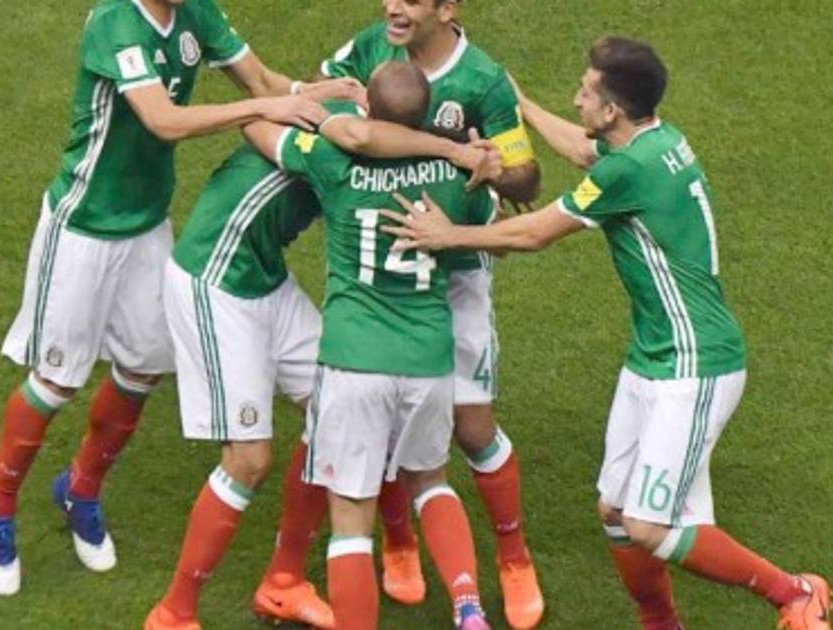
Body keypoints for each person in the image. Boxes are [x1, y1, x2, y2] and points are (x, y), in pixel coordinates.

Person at [382, 36, 833, 630]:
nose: (577, 100)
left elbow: (534, 233)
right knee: (617, 511)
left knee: (650, 525)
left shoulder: (629, 169)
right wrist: (520, 103)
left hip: (694, 363)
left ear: (613, 109)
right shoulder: (657, 142)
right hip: (652, 358)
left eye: (585, 92)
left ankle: (795, 593)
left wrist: (447, 237)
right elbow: (583, 149)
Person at [0, 0, 356, 597]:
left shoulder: (195, 11)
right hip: (83, 228)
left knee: (143, 368)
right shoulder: (115, 23)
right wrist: (262, 108)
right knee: (56, 379)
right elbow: (163, 120)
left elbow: (261, 79)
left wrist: (320, 94)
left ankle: (81, 488)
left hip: (146, 226)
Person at [144, 105, 499, 630]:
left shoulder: (355, 146)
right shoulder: (337, 127)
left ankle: (284, 580)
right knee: (249, 460)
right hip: (216, 279)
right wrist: (457, 152)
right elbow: (341, 131)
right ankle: (174, 612)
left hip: (266, 277)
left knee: (330, 411)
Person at [242, 61, 496, 630]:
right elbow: (491, 221)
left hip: (354, 361)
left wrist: (304, 104)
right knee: (431, 482)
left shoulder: (333, 163)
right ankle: (468, 606)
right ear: (425, 116)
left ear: (370, 112)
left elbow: (258, 128)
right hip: (429, 360)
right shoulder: (456, 176)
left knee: (351, 520)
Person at [315, 2, 544, 625]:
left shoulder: (484, 82)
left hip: (458, 271)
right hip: (386, 265)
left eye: (412, 0)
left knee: (471, 425)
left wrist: (495, 169)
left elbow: (528, 180)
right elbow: (320, 96)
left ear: (446, 9)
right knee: (389, 422)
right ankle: (399, 542)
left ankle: (514, 556)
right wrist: (445, 152)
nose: (393, 7)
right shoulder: (370, 46)